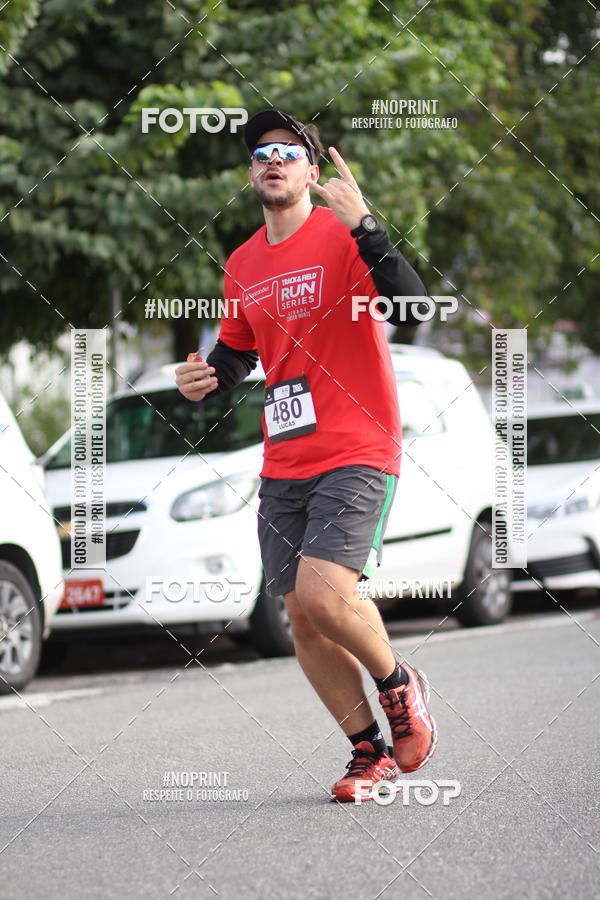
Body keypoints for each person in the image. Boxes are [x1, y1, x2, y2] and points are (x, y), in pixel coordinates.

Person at [176, 109, 437, 802]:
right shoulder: (242, 263)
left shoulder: (344, 237)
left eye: (288, 152)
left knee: (327, 593)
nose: (273, 161)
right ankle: (367, 753)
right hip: (284, 458)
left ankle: (398, 686)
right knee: (301, 613)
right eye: (261, 152)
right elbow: (236, 355)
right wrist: (206, 376)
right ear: (251, 172)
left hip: (358, 443)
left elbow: (413, 314)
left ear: (312, 172)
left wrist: (369, 227)